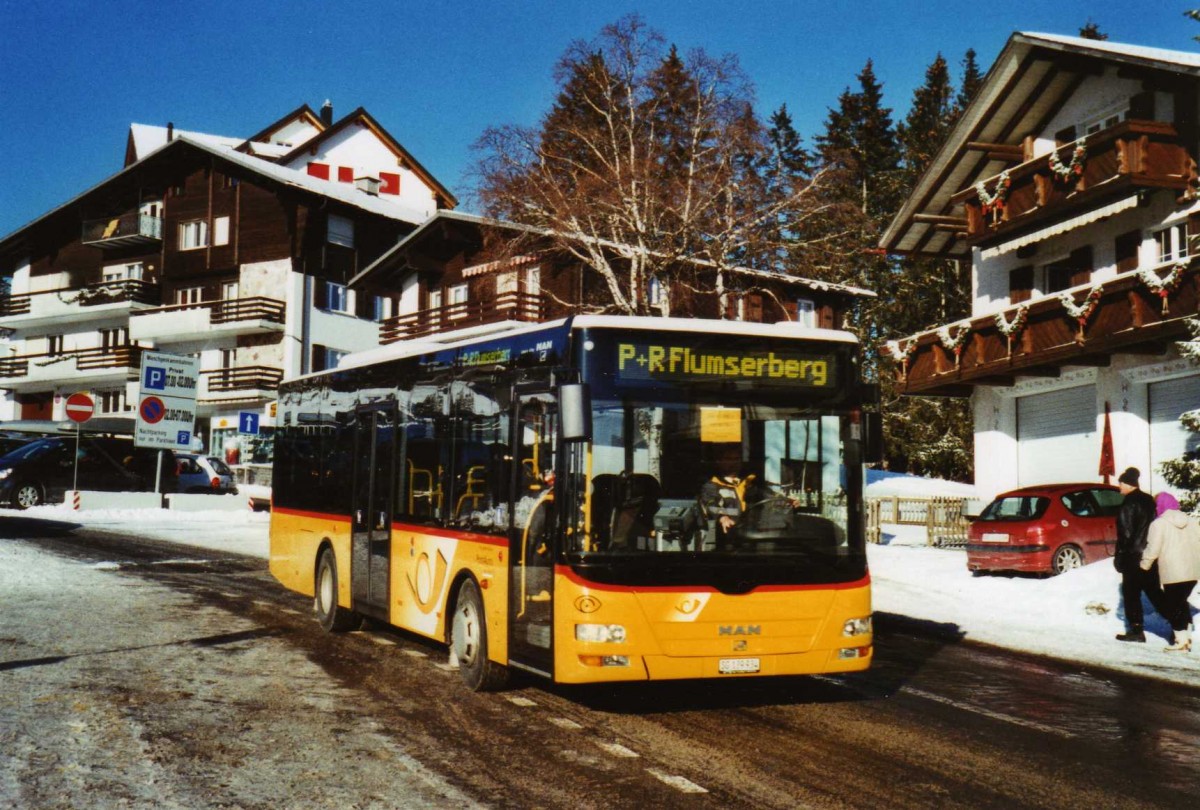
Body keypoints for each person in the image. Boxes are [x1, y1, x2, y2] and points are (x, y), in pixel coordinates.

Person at [1140, 493, 1200, 652]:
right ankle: (1186, 638)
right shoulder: (1192, 521)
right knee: (1181, 603)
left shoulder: (1158, 524)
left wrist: (1144, 565)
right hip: (1193, 571)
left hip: (1173, 571)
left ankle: (1180, 643)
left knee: (1173, 606)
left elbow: (1153, 548)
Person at [1114, 467, 1166, 642]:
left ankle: (1136, 631)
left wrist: (1120, 556)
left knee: (1131, 594)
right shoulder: (1148, 500)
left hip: (1133, 556)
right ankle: (1179, 621)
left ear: (1128, 484)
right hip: (1150, 553)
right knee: (1154, 592)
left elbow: (1126, 533)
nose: (1119, 486)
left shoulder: (1128, 503)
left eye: (1120, 483)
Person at [699, 445, 756, 550]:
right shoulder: (712, 486)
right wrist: (722, 517)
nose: (733, 463)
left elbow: (769, 498)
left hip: (752, 537)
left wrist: (788, 501)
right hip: (726, 538)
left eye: (736, 459)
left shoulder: (749, 484)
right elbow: (710, 504)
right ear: (719, 462)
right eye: (728, 459)